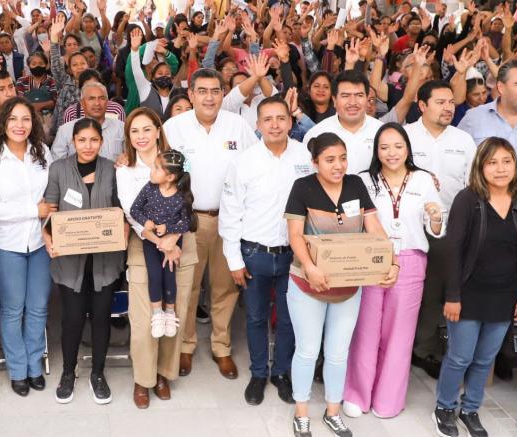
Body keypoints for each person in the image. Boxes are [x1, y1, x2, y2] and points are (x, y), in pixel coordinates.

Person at [284, 132, 398, 437]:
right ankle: (302, 411)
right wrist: (310, 267)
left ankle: (333, 411)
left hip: (348, 286)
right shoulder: (303, 187)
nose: (338, 165)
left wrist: (392, 261)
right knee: (308, 351)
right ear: (315, 162)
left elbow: (374, 227)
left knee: (337, 352)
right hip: (307, 284)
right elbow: (295, 235)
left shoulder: (355, 185)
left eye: (343, 158)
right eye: (330, 160)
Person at [433, 137, 517, 437]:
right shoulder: (468, 199)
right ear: (480, 166)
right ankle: (444, 407)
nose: (500, 168)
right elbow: (452, 251)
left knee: (484, 358)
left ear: (515, 164)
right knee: (460, 356)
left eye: (507, 161)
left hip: (506, 295)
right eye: (492, 162)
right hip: (467, 293)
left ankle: (470, 409)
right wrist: (452, 296)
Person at [343, 122, 444, 420]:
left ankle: (388, 399)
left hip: (411, 260)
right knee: (366, 329)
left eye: (398, 146)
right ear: (376, 151)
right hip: (371, 257)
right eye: (384, 147)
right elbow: (351, 222)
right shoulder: (362, 180)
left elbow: (435, 229)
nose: (392, 153)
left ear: (408, 148)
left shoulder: (424, 180)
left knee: (399, 334)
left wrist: (435, 218)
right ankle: (357, 395)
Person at [163, 68, 258, 380]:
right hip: (188, 221)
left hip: (229, 222)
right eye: (201, 90)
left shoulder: (238, 126)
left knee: (225, 287)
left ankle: (221, 346)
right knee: (186, 288)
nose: (208, 97)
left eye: (215, 91)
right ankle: (186, 346)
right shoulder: (174, 128)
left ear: (222, 94)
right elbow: (157, 169)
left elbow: (251, 171)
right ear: (190, 94)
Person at [218, 96, 314, 406]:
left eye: (281, 118)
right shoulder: (243, 161)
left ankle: (281, 373)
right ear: (257, 125)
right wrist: (234, 259)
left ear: (290, 121)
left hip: (294, 255)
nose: (274, 124)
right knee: (256, 318)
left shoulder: (304, 157)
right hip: (254, 253)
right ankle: (259, 373)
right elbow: (231, 212)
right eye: (267, 119)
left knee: (289, 319)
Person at [116, 107, 198, 409]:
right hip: (145, 244)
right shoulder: (125, 169)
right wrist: (161, 242)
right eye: (134, 131)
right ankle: (144, 378)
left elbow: (188, 200)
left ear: (157, 129)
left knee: (175, 310)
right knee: (144, 317)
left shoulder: (176, 159)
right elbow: (132, 213)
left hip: (180, 242)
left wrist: (173, 239)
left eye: (146, 129)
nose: (141, 136)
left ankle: (164, 373)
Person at [42, 117, 127, 405]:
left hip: (105, 260)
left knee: (102, 318)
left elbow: (122, 209)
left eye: (93, 140)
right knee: (73, 320)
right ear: (73, 142)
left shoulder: (113, 169)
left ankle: (98, 375)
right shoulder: (59, 169)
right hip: (70, 261)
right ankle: (68, 372)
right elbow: (49, 211)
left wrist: (123, 233)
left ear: (101, 142)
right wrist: (48, 239)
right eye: (82, 140)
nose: (88, 145)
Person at [0, 97, 55, 397]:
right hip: (6, 245)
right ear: (3, 122)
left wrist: (44, 218)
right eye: (13, 119)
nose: (20, 125)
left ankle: (35, 366)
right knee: (13, 309)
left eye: (26, 119)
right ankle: (18, 369)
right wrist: (32, 210)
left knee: (37, 307)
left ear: (33, 123)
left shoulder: (43, 153)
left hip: (38, 242)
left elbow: (51, 195)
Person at [405, 80, 477, 379]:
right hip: (409, 229)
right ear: (422, 105)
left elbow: (473, 186)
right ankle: (406, 347)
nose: (449, 107)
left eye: (451, 102)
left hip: (450, 232)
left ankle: (426, 350)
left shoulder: (463, 140)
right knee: (409, 294)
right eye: (440, 102)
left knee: (436, 293)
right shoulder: (404, 136)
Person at [130, 150, 197, 338]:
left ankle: (170, 312)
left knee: (169, 274)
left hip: (172, 244)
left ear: (170, 177)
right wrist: (146, 222)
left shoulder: (182, 196)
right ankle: (157, 313)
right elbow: (135, 209)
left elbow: (188, 222)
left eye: (157, 168)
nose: (152, 170)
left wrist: (169, 228)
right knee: (155, 274)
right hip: (151, 242)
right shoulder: (150, 189)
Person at [302, 70, 382, 175]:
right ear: (334, 100)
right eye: (345, 96)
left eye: (359, 95)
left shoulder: (382, 132)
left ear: (367, 99)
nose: (353, 102)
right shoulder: (316, 134)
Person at [51, 82, 125, 161]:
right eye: (91, 98)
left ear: (107, 102)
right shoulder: (66, 130)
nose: (97, 103)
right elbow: (57, 164)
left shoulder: (122, 128)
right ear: (82, 103)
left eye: (102, 98)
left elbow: (132, 159)